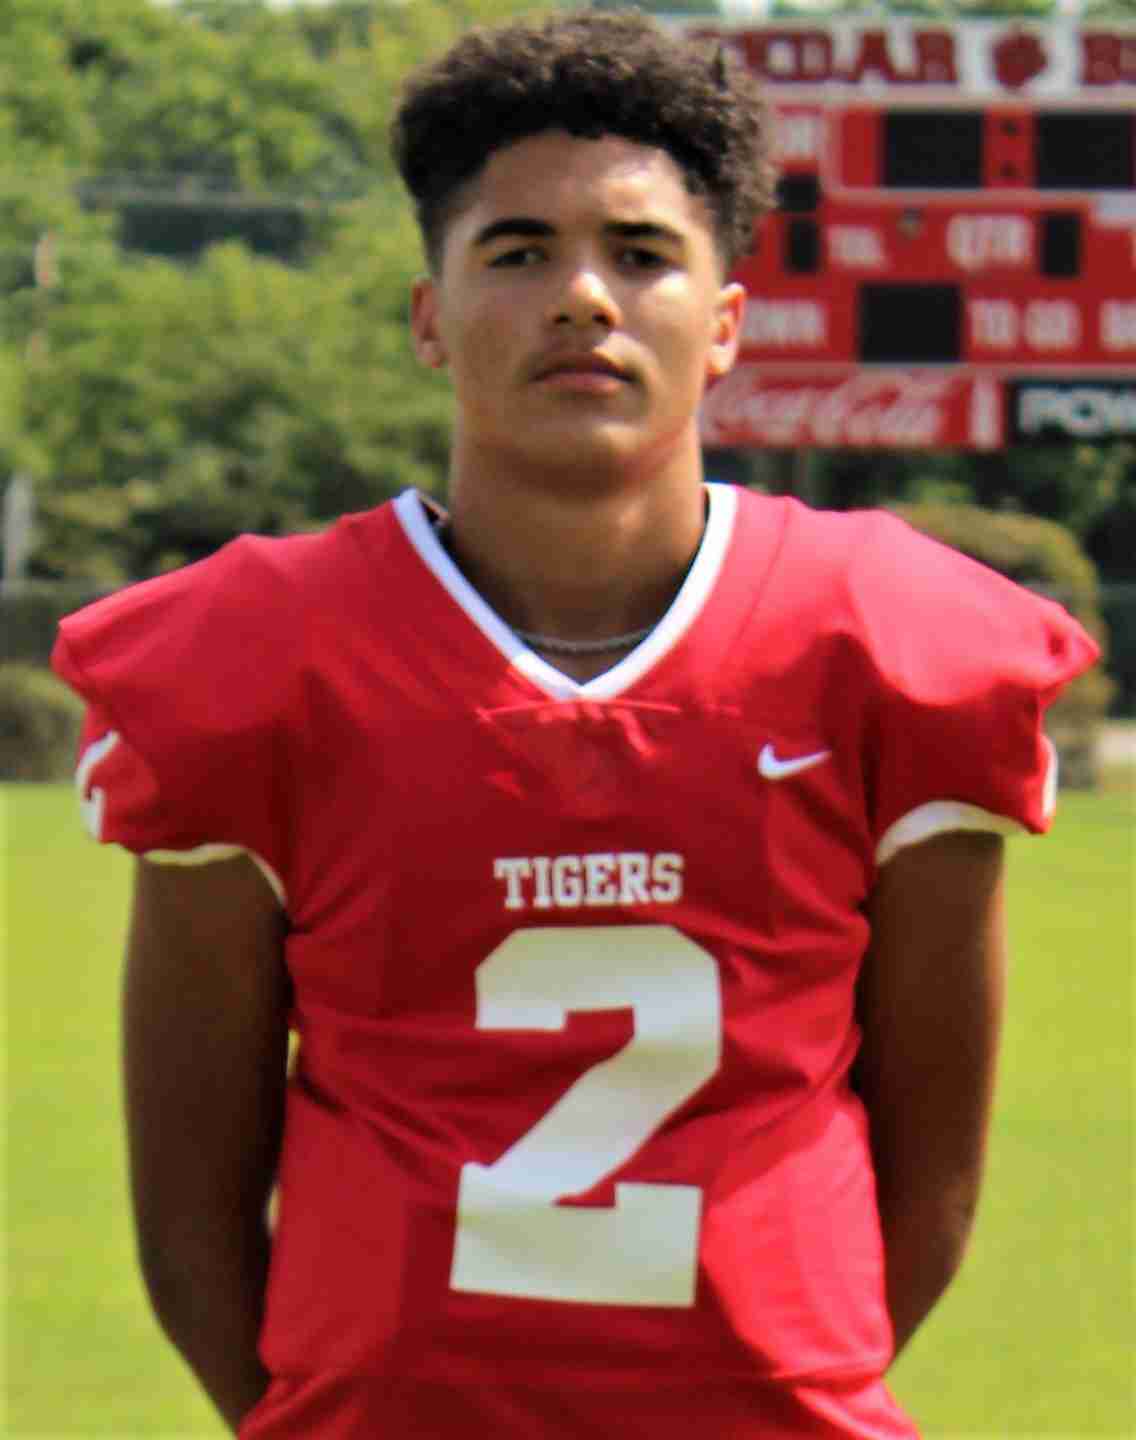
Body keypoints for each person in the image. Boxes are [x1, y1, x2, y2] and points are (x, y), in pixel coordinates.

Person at [52, 10, 1099, 1439]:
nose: (584, 298)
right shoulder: (267, 657)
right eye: (518, 252)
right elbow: (190, 1216)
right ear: (429, 318)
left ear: (724, 325)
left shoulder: (880, 641)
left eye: (643, 253)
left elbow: (933, 1183)